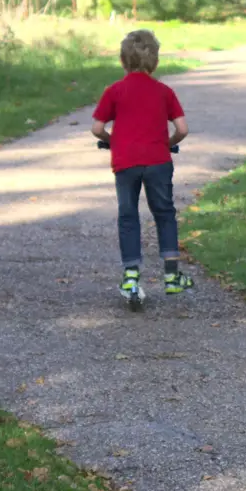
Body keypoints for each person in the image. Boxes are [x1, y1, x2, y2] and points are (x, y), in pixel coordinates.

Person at [90, 29, 194, 310]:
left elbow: (97, 128)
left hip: (125, 163)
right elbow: (182, 129)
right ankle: (172, 275)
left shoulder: (114, 91)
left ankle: (131, 276)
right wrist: (167, 143)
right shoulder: (164, 92)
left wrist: (114, 142)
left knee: (128, 215)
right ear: (155, 62)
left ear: (123, 61)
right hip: (158, 162)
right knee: (164, 212)